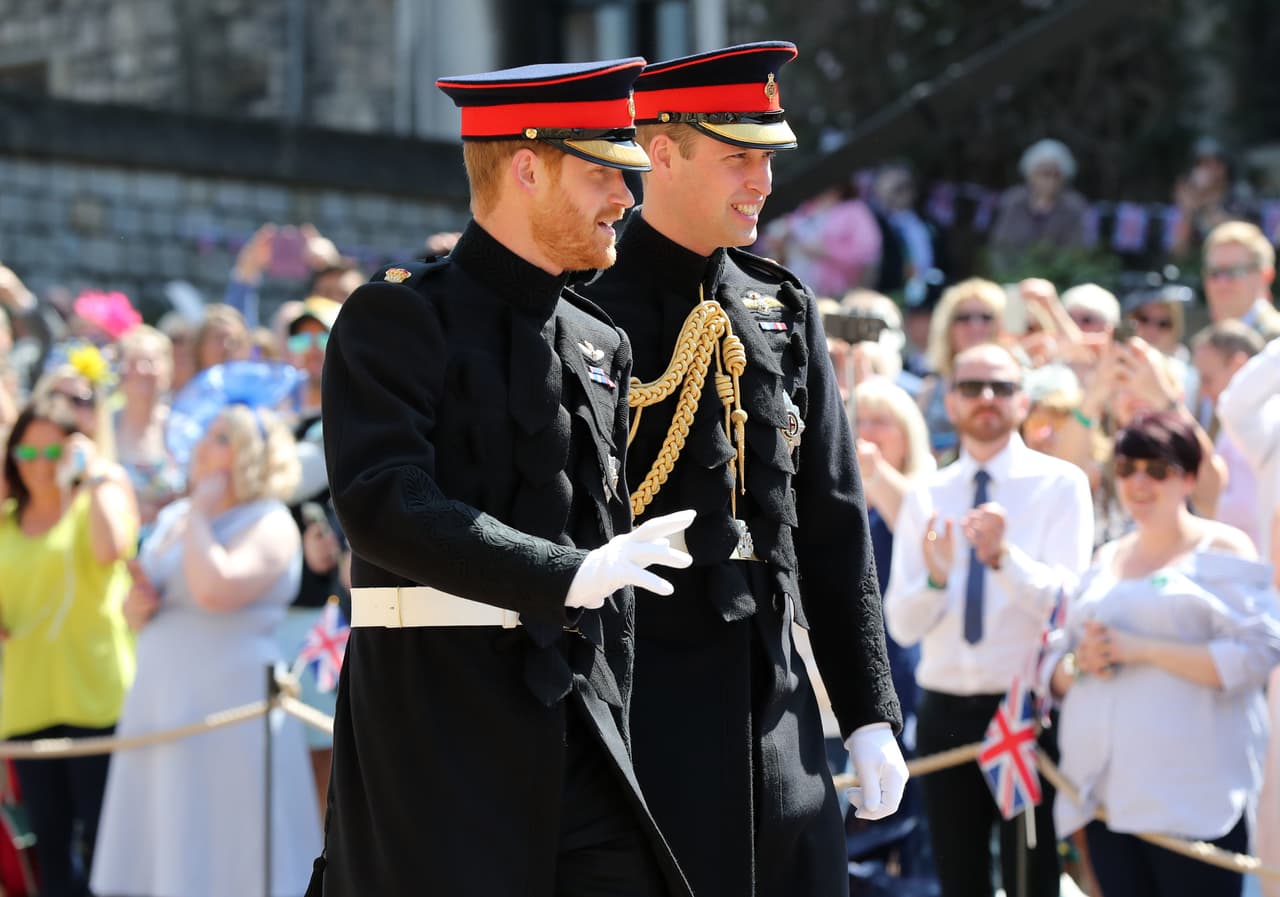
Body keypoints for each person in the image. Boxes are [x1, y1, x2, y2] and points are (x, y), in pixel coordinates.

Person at [310, 58, 698, 897]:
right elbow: (384, 502)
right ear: (527, 167)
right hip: (438, 728)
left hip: (580, 728)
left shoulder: (599, 341)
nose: (626, 200)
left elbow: (604, 540)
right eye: (603, 172)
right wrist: (562, 573)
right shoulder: (400, 315)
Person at [582, 42, 906, 897]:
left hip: (775, 713)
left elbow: (833, 522)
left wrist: (868, 710)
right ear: (660, 149)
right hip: (637, 701)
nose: (762, 179)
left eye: (768, 156)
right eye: (738, 155)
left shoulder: (782, 304)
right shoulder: (580, 307)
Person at [885, 343, 1093, 897]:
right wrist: (934, 578)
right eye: (972, 387)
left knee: (1031, 876)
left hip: (1024, 709)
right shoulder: (927, 493)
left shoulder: (1060, 484)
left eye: (1001, 387)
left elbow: (1069, 607)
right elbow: (901, 627)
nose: (986, 399)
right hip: (945, 707)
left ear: (1024, 402)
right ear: (949, 402)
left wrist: (1004, 560)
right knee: (960, 878)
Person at [92, 393, 320, 897]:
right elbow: (133, 613)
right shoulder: (175, 520)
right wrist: (141, 601)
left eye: (222, 438)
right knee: (168, 832)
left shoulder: (269, 521)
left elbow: (216, 590)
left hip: (229, 704)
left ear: (249, 456)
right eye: (207, 433)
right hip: (163, 699)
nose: (203, 446)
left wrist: (199, 514)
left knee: (226, 836)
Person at [1045, 411, 1280, 897]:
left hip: (1195, 807)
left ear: (1189, 476)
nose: (1139, 482)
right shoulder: (1105, 558)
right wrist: (1078, 664)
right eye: (1128, 468)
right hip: (1108, 801)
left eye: (1158, 469)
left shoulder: (1224, 546)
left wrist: (1143, 649)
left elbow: (1260, 653)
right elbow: (1057, 663)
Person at [0, 398, 137, 897]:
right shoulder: (4, 523)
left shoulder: (97, 499)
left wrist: (95, 469)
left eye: (52, 450)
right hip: (28, 704)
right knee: (52, 853)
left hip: (96, 698)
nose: (39, 463)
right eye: (26, 452)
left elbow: (112, 548)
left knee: (107, 846)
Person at [988, 138, 1090, 276]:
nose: (1051, 181)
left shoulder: (1074, 206)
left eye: (1056, 175)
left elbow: (1077, 250)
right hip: (1013, 275)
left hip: (1058, 277)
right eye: (1045, 174)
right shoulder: (1013, 201)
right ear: (1031, 175)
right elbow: (1000, 246)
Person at [1201, 220, 1280, 341]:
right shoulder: (1205, 339)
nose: (1222, 282)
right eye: (1214, 273)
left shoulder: (1275, 340)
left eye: (1234, 272)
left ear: (1265, 276)